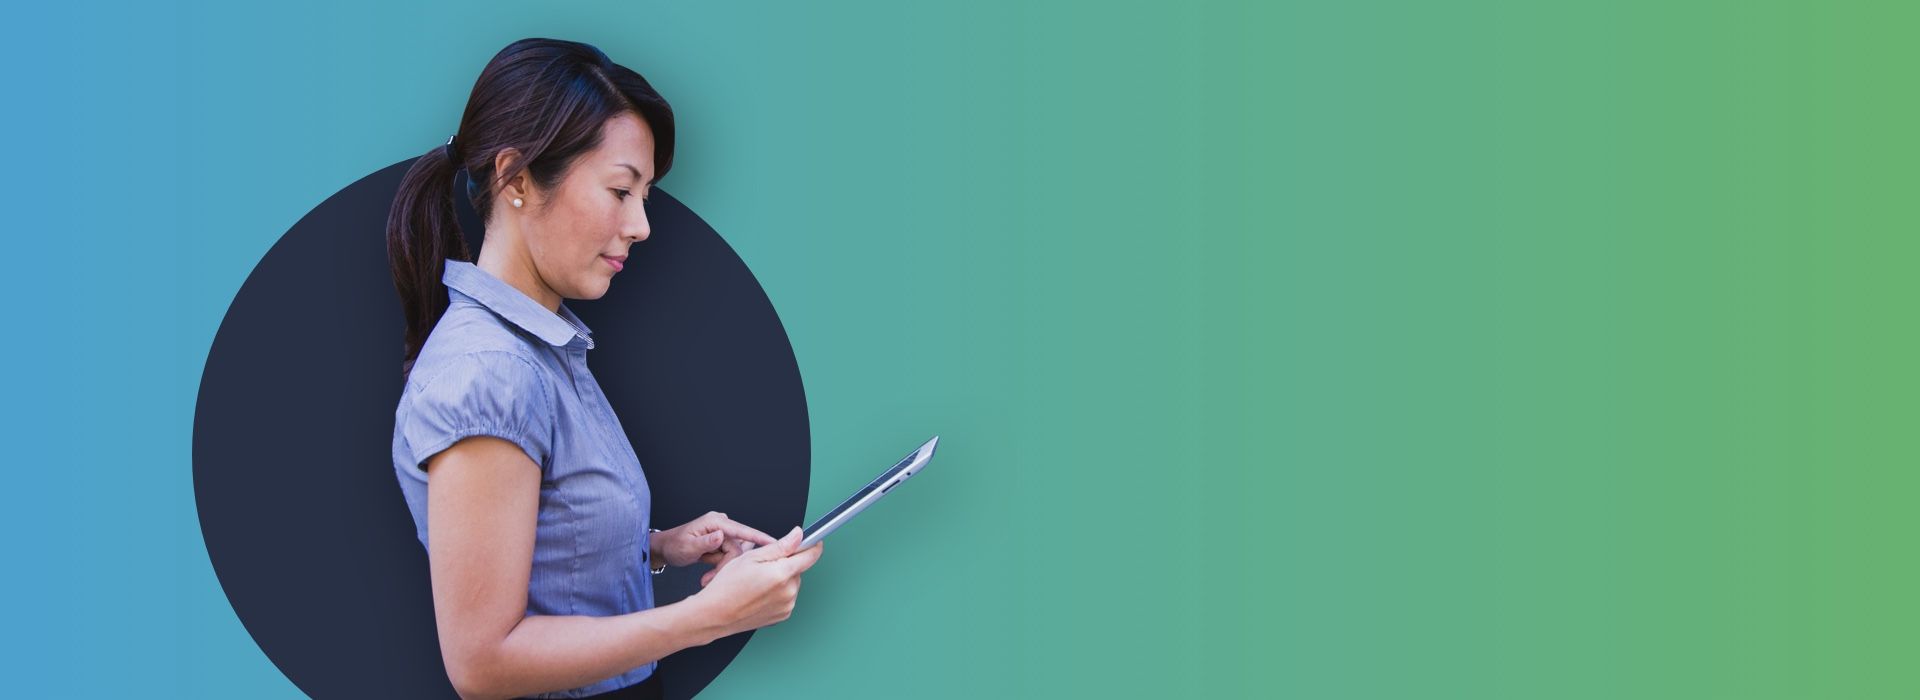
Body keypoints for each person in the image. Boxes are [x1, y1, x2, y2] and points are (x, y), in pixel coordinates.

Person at [385, 38, 822, 700]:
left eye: (643, 195)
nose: (641, 224)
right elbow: (482, 662)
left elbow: (534, 541)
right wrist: (704, 618)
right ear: (517, 178)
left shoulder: (538, 348)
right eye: (621, 190)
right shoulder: (489, 371)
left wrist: (656, 546)